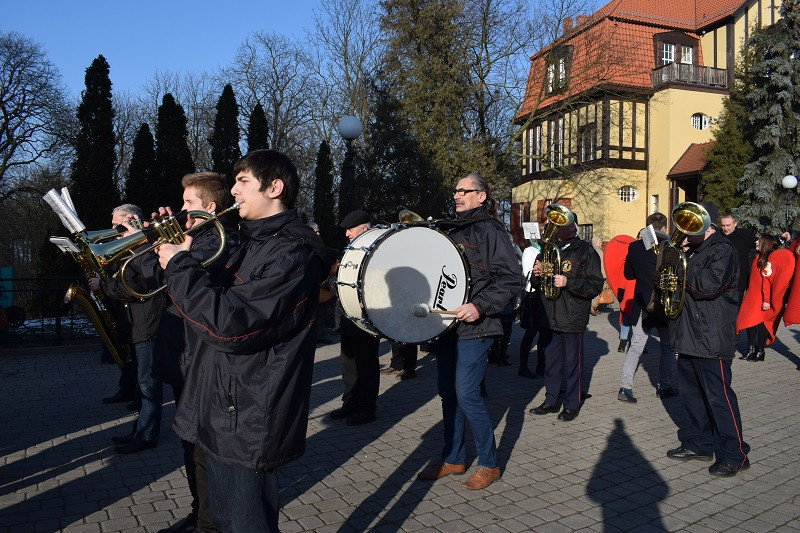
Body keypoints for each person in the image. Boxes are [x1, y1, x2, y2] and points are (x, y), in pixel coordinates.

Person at [155, 149, 338, 532]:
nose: (233, 189)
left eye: (242, 181)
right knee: (223, 520)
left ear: (275, 187)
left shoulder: (293, 254)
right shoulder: (252, 242)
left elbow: (232, 325)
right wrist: (180, 256)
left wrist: (180, 266)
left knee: (246, 523)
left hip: (247, 416)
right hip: (223, 406)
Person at [417, 173, 521, 490]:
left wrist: (479, 305)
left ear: (482, 196)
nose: (457, 195)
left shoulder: (491, 230)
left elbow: (511, 278)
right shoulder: (450, 230)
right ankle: (454, 458)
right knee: (448, 394)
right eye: (456, 190)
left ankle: (490, 464)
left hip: (477, 326)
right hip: (447, 327)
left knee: (467, 393)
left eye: (465, 190)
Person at [666, 201, 750, 478]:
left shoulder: (723, 251)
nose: (685, 231)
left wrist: (681, 265)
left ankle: (735, 454)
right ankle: (699, 444)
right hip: (687, 332)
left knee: (719, 399)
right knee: (691, 397)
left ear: (708, 225)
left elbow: (709, 286)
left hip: (711, 337)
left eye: (691, 225)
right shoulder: (693, 250)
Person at [91, 204, 166, 454]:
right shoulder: (130, 248)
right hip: (137, 322)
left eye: (116, 225)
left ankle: (147, 434)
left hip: (148, 322)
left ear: (131, 220)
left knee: (148, 382)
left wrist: (104, 284)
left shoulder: (144, 246)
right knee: (143, 380)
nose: (112, 231)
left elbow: (134, 286)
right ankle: (140, 429)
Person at [529, 211, 603, 422]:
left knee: (572, 364)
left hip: (572, 316)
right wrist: (537, 275)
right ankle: (551, 400)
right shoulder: (547, 249)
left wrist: (568, 283)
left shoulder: (586, 252)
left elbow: (595, 286)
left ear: (573, 227)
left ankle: (571, 404)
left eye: (561, 224)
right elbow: (535, 284)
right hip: (549, 314)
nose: (555, 228)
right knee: (550, 363)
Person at [330, 209, 383, 426]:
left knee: (367, 365)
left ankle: (366, 408)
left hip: (366, 317)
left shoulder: (377, 250)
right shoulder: (352, 249)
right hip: (347, 316)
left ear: (363, 228)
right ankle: (350, 403)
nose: (347, 234)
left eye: (350, 229)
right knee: (348, 365)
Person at [617, 213, 675, 403]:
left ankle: (625, 388)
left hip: (642, 304)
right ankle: (664, 386)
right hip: (663, 305)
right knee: (667, 347)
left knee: (635, 347)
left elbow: (628, 275)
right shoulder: (669, 248)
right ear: (664, 228)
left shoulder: (634, 246)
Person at [735, 233, 794, 361]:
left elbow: (766, 282)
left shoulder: (767, 260)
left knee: (761, 324)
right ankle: (750, 349)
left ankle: (760, 351)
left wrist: (767, 300)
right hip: (752, 295)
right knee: (749, 322)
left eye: (759, 241)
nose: (756, 242)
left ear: (764, 243)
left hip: (761, 297)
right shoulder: (756, 256)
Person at [517, 239, 544, 378]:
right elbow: (527, 272)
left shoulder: (547, 250)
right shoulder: (529, 251)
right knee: (530, 333)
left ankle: (541, 365)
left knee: (544, 334)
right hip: (533, 295)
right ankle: (523, 366)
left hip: (543, 295)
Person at [720, 214, 756, 305]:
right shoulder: (718, 236)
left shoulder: (744, 235)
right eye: (723, 225)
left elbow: (762, 243)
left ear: (735, 224)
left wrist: (780, 238)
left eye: (728, 225)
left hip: (738, 282)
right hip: (720, 280)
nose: (725, 228)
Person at [590, 237, 606, 315]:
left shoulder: (593, 250)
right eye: (600, 242)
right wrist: (605, 274)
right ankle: (593, 306)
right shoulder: (599, 251)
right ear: (596, 243)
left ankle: (593, 306)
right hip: (601, 275)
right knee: (599, 290)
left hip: (596, 274)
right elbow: (602, 264)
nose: (601, 243)